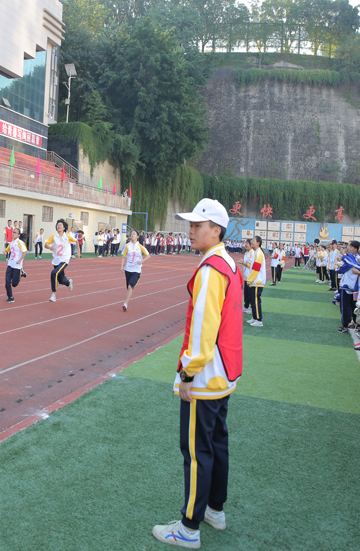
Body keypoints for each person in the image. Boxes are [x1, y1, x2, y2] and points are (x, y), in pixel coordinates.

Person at [153, 198, 242, 549]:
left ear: (216, 230)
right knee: (217, 444)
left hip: (205, 374)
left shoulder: (210, 269)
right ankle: (214, 510)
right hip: (225, 372)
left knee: (195, 452)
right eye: (190, 225)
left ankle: (189, 527)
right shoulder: (229, 264)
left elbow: (203, 331)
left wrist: (187, 375)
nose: (190, 231)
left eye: (197, 225)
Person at [44, 219, 79, 302]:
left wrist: (79, 252)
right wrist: (50, 248)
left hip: (64, 259)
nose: (58, 226)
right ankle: (68, 283)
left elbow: (76, 240)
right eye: (57, 225)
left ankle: (53, 294)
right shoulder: (54, 236)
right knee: (61, 280)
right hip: (56, 260)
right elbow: (46, 245)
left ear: (64, 228)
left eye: (60, 225)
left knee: (54, 273)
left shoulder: (67, 237)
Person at [120, 229, 149, 311]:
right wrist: (122, 266)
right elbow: (123, 256)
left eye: (134, 234)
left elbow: (148, 255)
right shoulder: (127, 246)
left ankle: (125, 304)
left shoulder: (140, 246)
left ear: (137, 236)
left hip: (136, 269)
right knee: (128, 287)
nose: (132, 235)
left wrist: (141, 261)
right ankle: (127, 300)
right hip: (128, 268)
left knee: (130, 286)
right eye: (131, 234)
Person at [245, 236, 266, 327]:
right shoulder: (255, 252)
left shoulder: (259, 253)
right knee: (253, 301)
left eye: (253, 241)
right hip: (255, 281)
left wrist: (250, 280)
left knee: (256, 301)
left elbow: (256, 268)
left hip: (257, 281)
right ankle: (254, 317)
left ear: (258, 243)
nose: (252, 242)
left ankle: (259, 320)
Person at [5, 226, 28, 302]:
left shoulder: (20, 242)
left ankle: (21, 273)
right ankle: (10, 297)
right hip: (10, 264)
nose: (13, 234)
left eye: (15, 232)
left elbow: (25, 252)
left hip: (17, 266)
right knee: (7, 282)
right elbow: (7, 250)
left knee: (14, 284)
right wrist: (5, 252)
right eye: (13, 232)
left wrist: (20, 260)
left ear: (18, 235)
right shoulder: (11, 243)